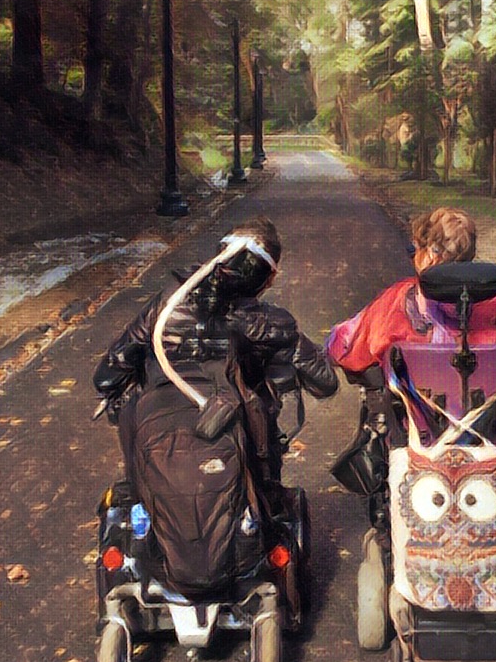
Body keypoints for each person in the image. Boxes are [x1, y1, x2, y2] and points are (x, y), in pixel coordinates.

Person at [93, 216, 337, 514]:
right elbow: (325, 383)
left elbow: (107, 376)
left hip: (157, 445)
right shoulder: (272, 323)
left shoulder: (164, 308)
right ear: (268, 278)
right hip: (243, 454)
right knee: (276, 504)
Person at [326, 206, 496, 398]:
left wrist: (329, 346)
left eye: (415, 248)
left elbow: (349, 346)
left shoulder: (397, 302)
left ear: (431, 254)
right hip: (492, 430)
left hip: (418, 431)